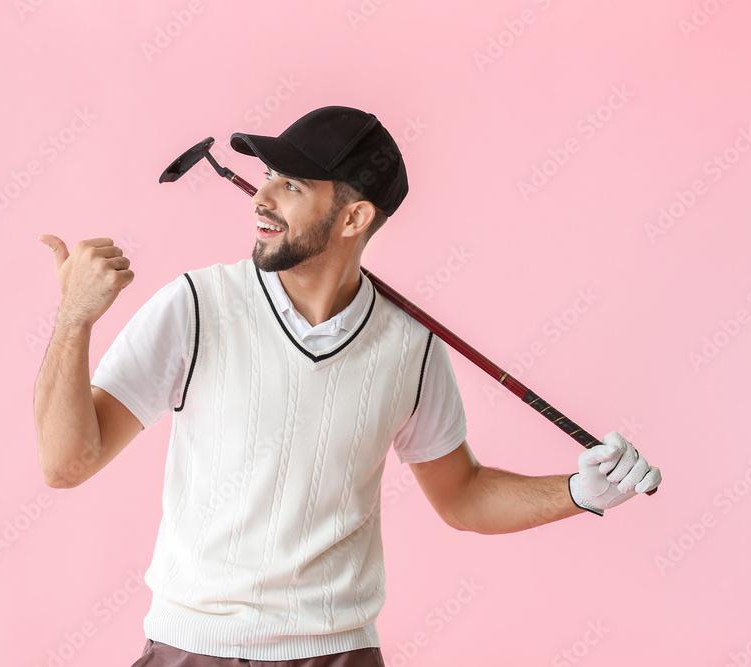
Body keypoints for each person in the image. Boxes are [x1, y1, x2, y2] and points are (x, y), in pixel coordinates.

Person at [33, 106, 662, 667]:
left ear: (354, 216)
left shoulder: (410, 346)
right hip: (193, 651)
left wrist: (580, 491)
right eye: (268, 178)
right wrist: (74, 318)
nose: (261, 198)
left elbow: (463, 495)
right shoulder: (196, 306)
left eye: (292, 185)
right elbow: (66, 463)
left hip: (339, 656)